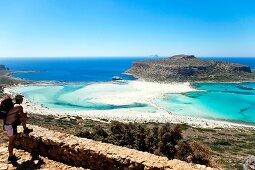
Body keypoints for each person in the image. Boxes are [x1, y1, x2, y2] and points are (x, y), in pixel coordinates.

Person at [4, 94, 33, 162]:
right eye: (22, 99)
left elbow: (18, 116)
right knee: (11, 142)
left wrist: (23, 116)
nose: (22, 100)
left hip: (8, 124)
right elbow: (23, 117)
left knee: (12, 141)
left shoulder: (14, 105)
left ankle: (25, 129)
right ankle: (11, 157)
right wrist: (27, 117)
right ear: (20, 99)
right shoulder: (19, 106)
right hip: (10, 126)